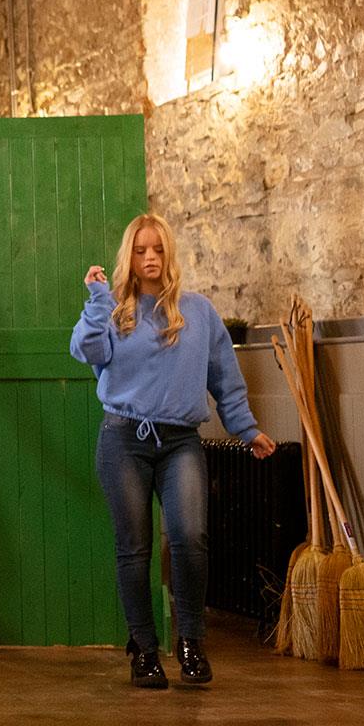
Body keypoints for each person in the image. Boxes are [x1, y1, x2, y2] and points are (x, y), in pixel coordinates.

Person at [70, 212, 276, 688]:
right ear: (129, 256)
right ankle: (143, 648)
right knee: (134, 548)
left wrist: (247, 430)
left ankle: (190, 643)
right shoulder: (115, 310)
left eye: (158, 249)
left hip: (181, 440)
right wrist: (97, 302)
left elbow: (224, 377)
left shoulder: (198, 312)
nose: (149, 259)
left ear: (169, 254)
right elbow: (86, 351)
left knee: (189, 538)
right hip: (124, 439)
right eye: (140, 250)